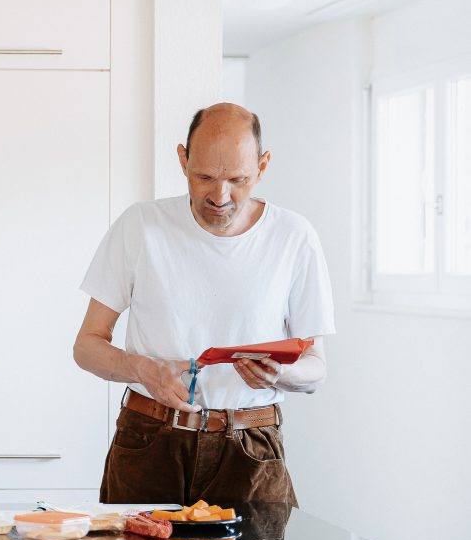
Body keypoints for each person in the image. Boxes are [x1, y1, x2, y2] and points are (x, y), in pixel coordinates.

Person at [73, 103, 334, 507]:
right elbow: (86, 346)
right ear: (183, 159)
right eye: (205, 177)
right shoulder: (140, 225)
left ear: (262, 167)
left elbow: (315, 368)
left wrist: (279, 373)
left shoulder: (294, 236)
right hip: (149, 439)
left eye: (238, 179)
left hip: (252, 450)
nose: (220, 195)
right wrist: (143, 368)